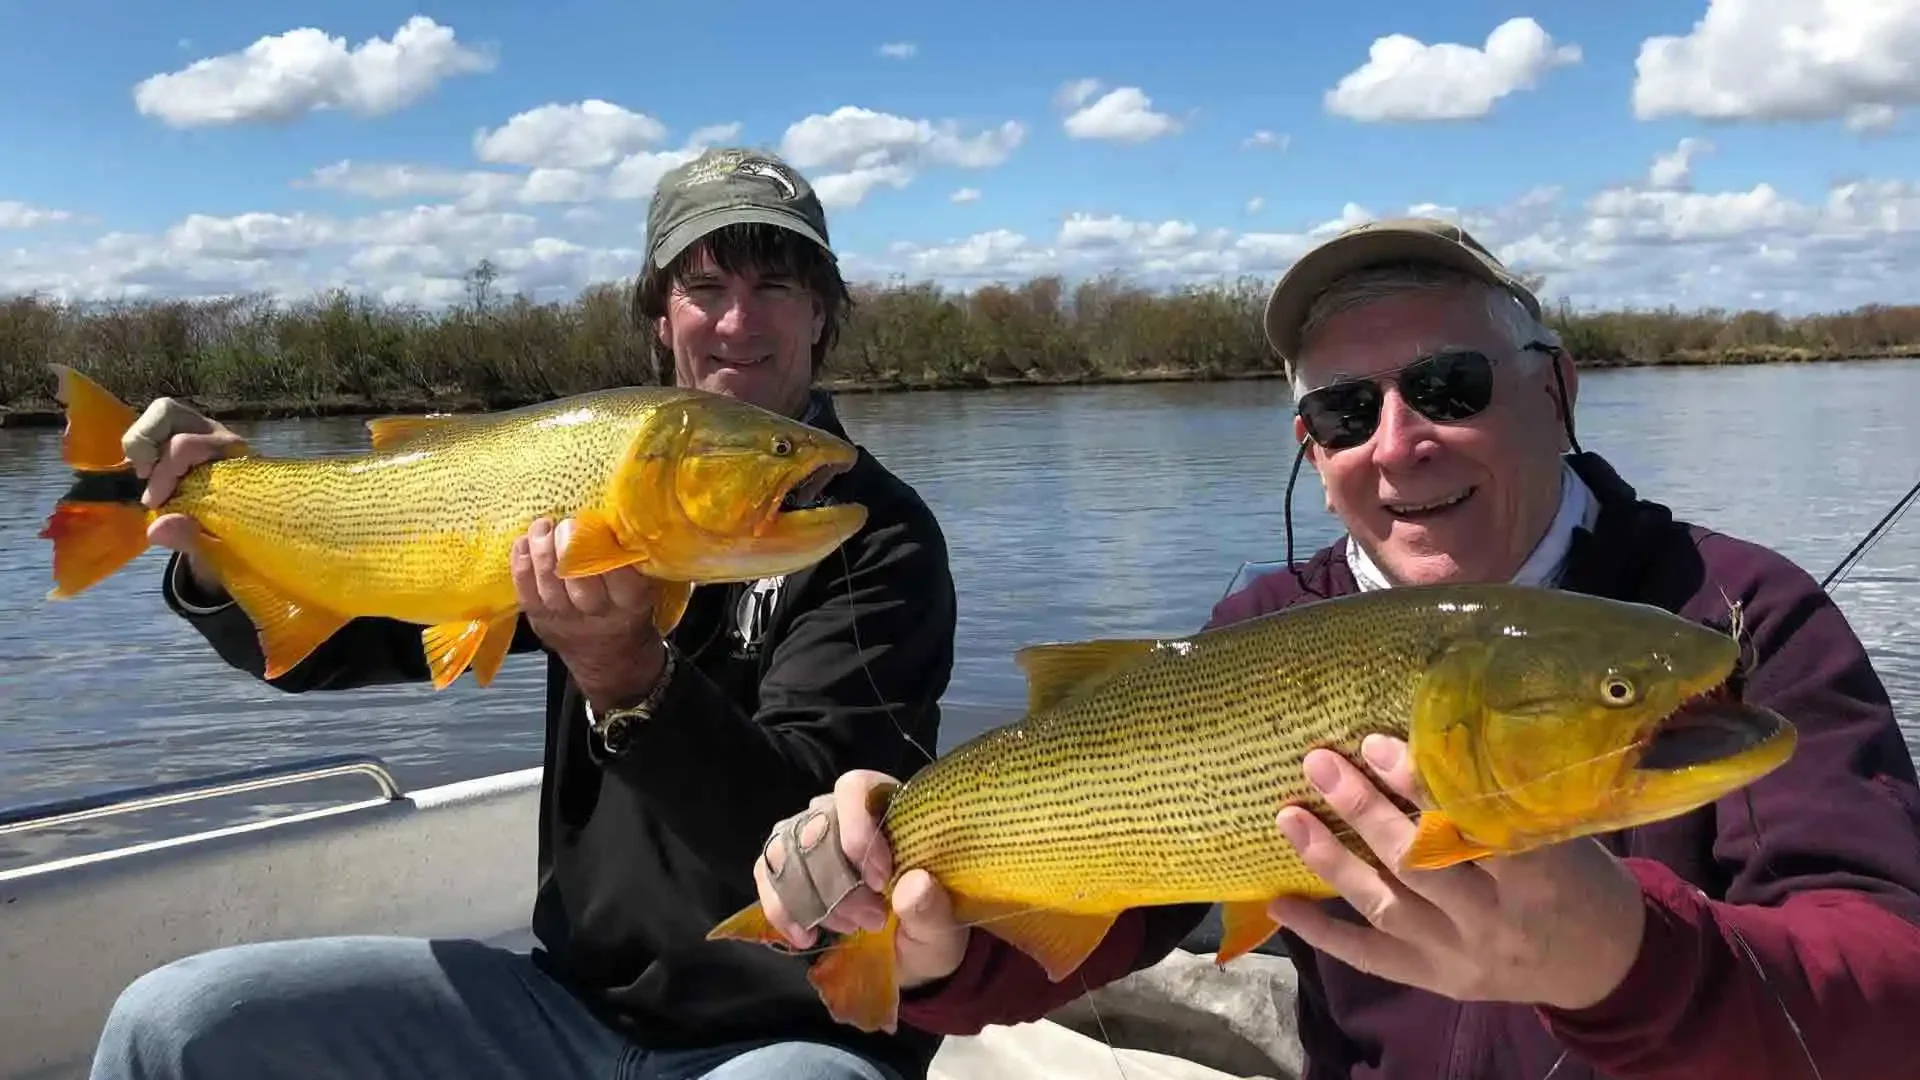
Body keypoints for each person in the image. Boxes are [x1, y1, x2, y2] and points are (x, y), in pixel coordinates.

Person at [748, 218, 1920, 1079]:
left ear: (1557, 390)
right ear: (1312, 448)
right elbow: (1098, 928)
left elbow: (1893, 993)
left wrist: (1629, 958)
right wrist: (928, 937)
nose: (1399, 444)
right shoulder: (1260, 628)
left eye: (1449, 385)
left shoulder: (1735, 617)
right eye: (1347, 411)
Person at [87, 147, 960, 1080]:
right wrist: (222, 536)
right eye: (702, 287)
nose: (736, 319)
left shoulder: (874, 537)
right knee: (173, 1023)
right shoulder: (575, 483)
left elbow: (816, 859)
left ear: (822, 310)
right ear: (663, 321)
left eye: (775, 285)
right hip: (563, 1007)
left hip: (794, 1029)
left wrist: (631, 677)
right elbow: (328, 649)